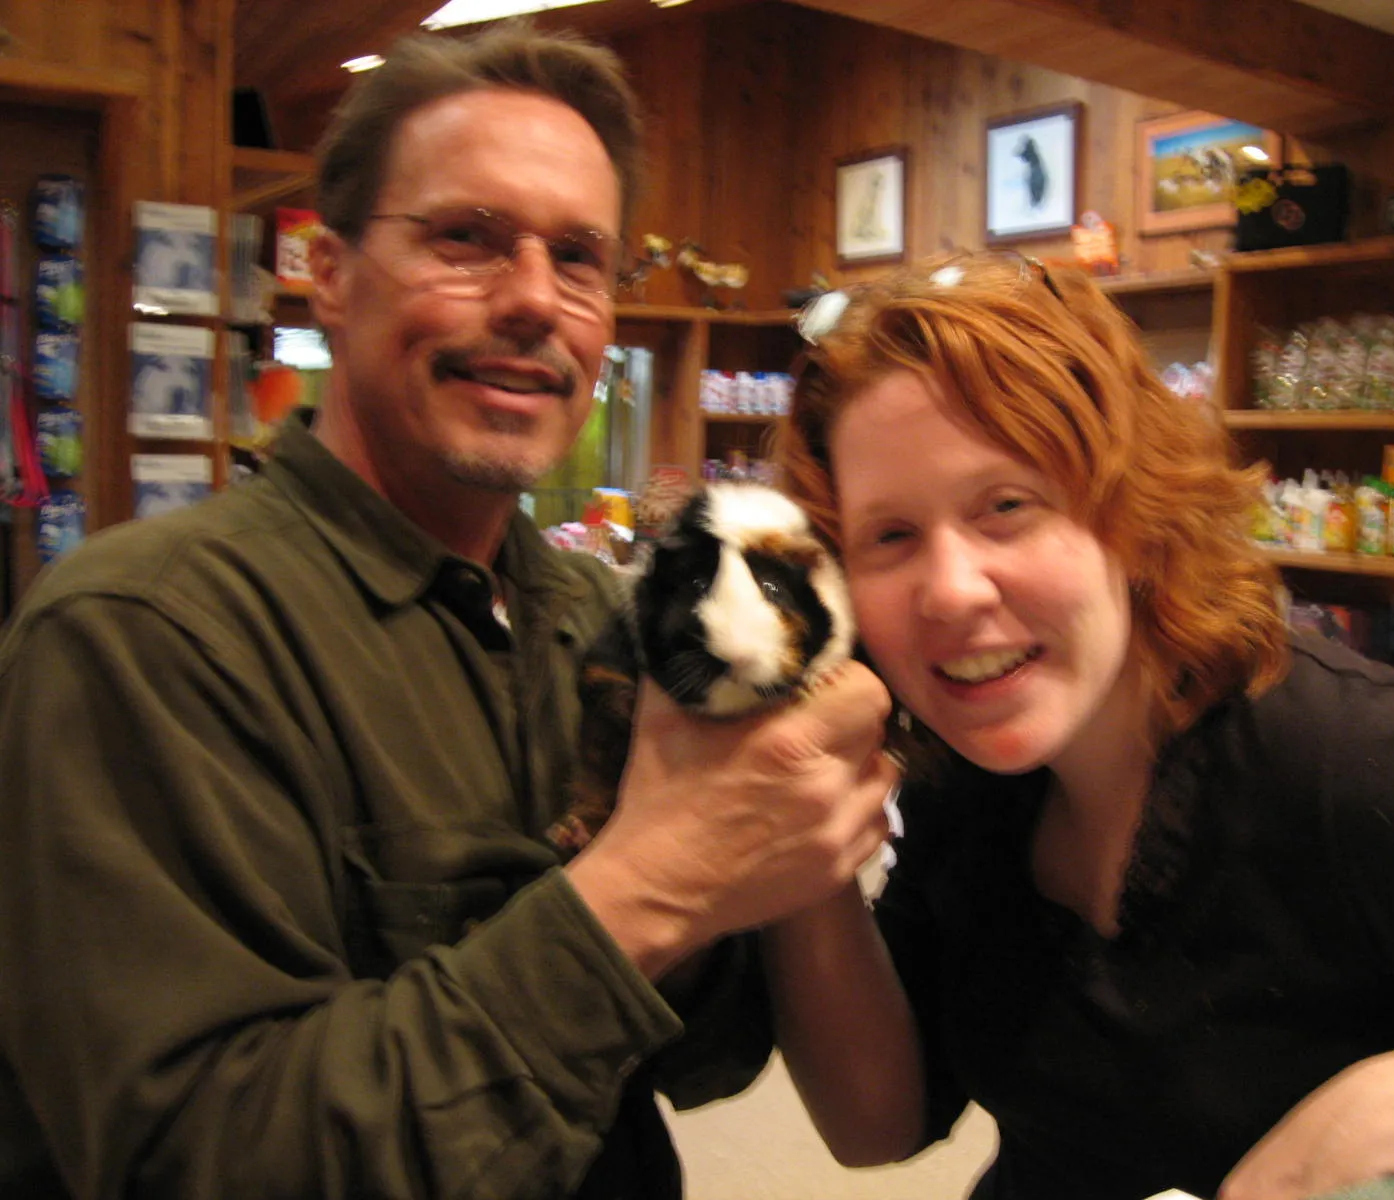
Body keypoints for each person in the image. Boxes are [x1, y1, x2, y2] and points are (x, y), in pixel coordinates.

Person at [0, 24, 896, 1199]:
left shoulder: (598, 620)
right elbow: (200, 1159)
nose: (534, 301)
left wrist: (791, 831)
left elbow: (707, 1056)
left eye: (579, 258)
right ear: (329, 271)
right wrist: (651, 882)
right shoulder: (144, 637)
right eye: (466, 239)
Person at [764, 250, 1394, 1200]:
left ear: (1131, 513)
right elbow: (878, 1124)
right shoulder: (968, 776)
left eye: (1007, 506)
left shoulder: (1354, 765)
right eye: (891, 536)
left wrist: (1392, 1106)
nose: (952, 591)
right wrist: (806, 852)